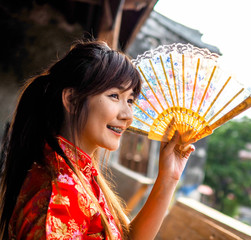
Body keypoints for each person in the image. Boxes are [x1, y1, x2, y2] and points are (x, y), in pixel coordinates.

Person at [0, 40, 195, 240]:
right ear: (72, 100)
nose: (128, 115)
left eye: (130, 100)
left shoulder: (76, 173)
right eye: (114, 96)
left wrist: (168, 177)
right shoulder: (62, 196)